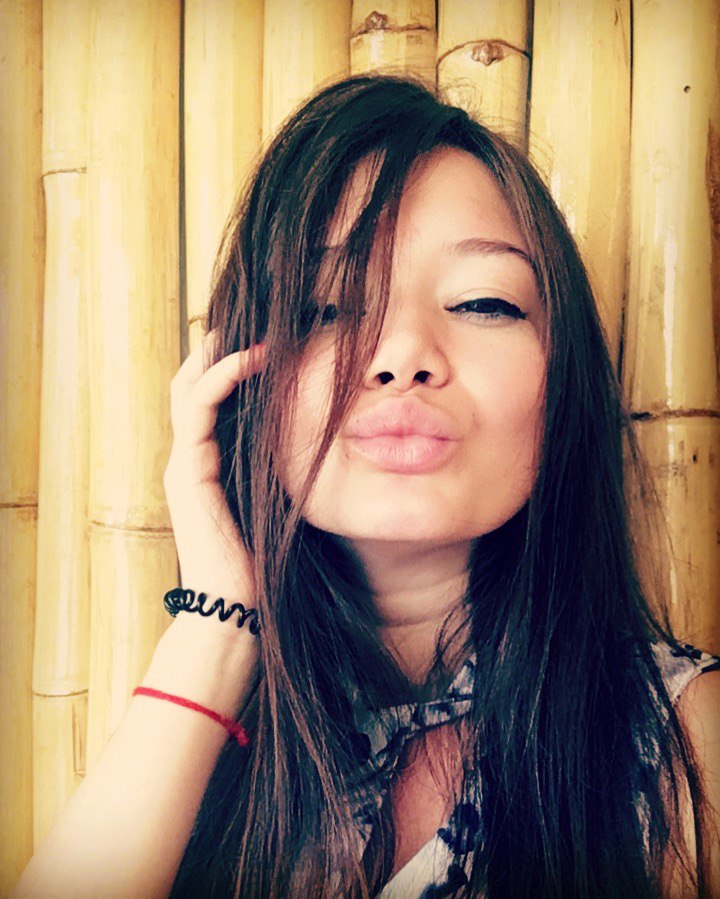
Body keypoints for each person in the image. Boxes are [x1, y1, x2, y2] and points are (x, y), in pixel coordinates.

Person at [13, 74, 720, 899]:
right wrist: (215, 624)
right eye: (327, 306)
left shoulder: (689, 744)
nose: (401, 353)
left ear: (565, 377)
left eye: (482, 302)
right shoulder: (191, 748)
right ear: (239, 381)